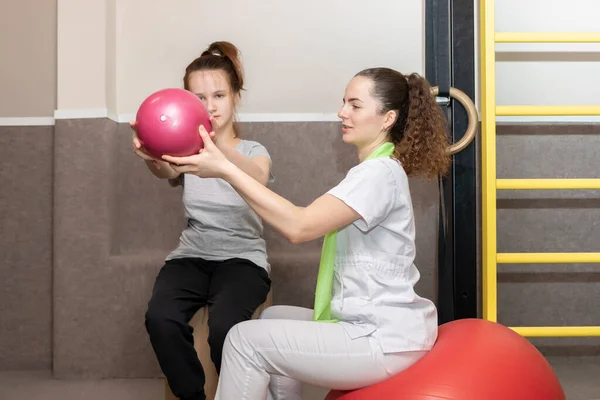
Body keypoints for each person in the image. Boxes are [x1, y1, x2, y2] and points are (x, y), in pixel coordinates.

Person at [162, 67, 451, 400]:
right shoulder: (375, 170)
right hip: (375, 323)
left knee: (244, 340)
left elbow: (298, 227)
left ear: (387, 118)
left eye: (355, 105)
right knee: (271, 317)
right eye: (344, 102)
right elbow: (296, 220)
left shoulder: (378, 175)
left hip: (382, 338)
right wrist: (227, 166)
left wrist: (227, 170)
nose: (342, 112)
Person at [131, 41, 273, 400]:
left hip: (243, 260)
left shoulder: (253, 151)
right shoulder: (184, 151)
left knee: (226, 328)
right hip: (192, 257)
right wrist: (151, 153)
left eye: (219, 95)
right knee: (160, 318)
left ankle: (236, 393)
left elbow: (257, 179)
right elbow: (164, 170)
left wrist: (214, 146)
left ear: (236, 97)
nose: (210, 107)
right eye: (199, 98)